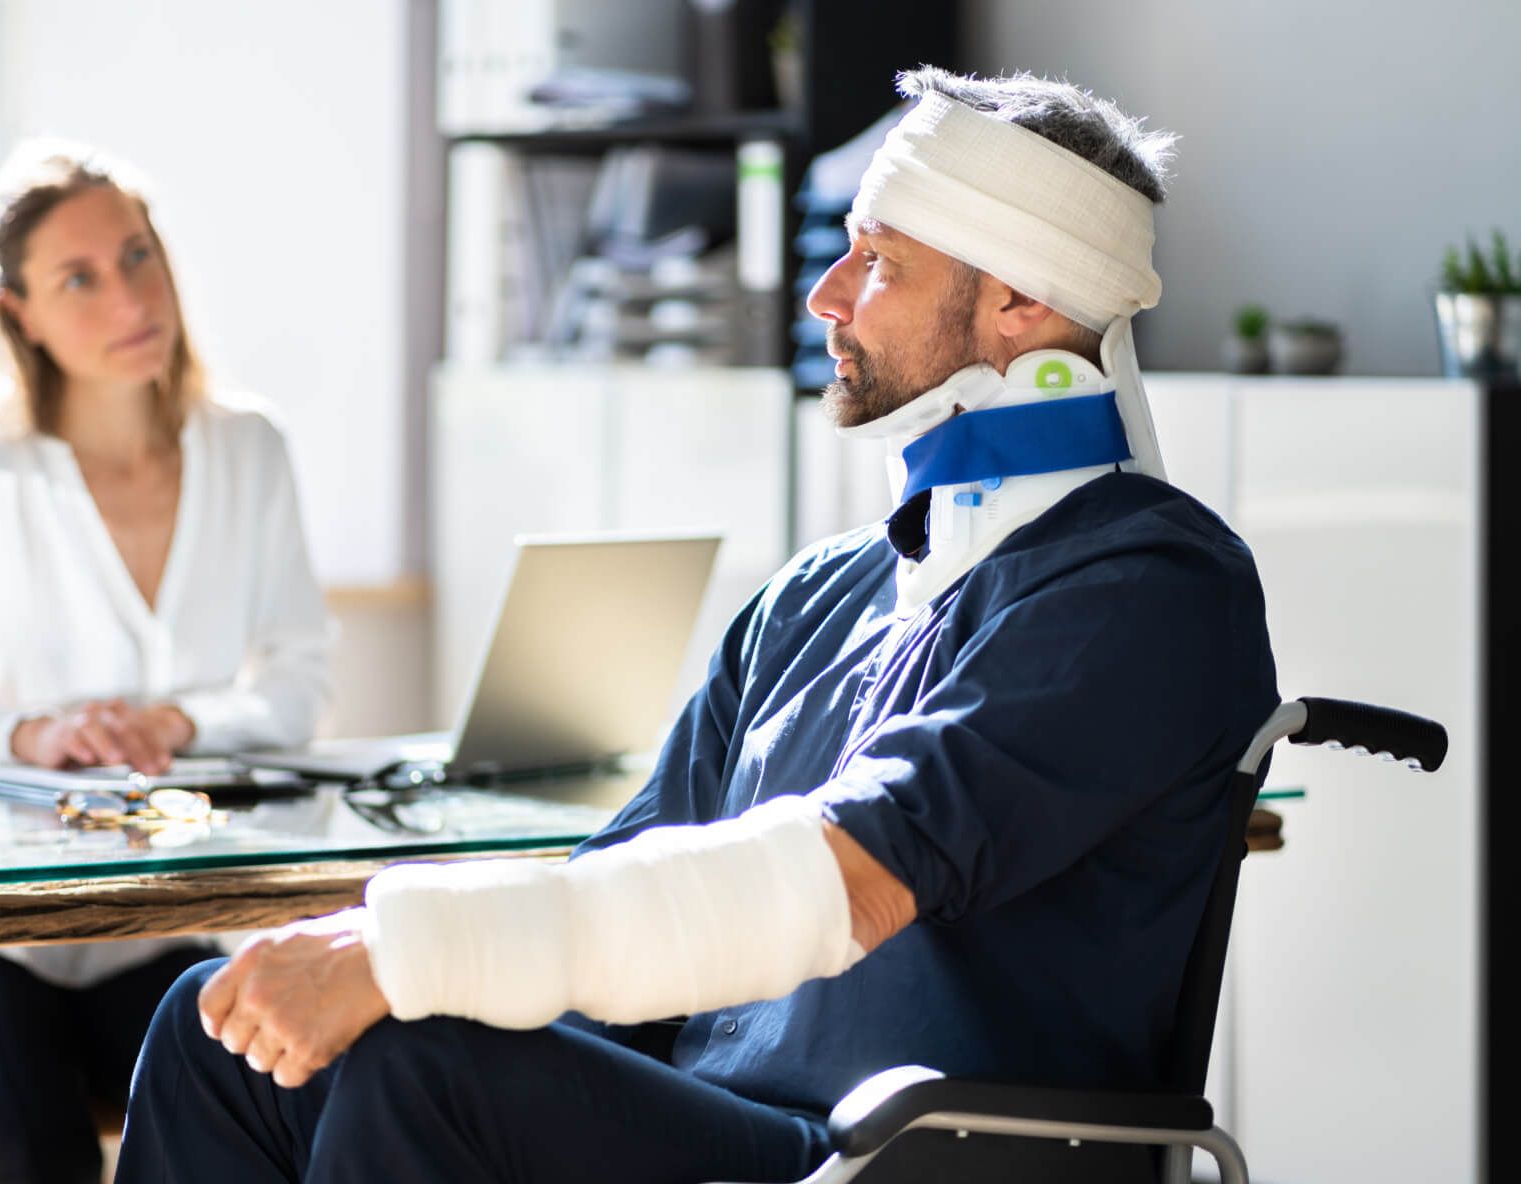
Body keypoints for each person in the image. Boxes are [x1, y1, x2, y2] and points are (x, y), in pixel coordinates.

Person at [116, 67, 1279, 1184]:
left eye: (877, 261)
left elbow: (853, 877)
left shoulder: (1149, 588)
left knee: (421, 1069)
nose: (824, 296)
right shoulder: (814, 596)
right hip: (714, 1121)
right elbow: (623, 884)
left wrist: (408, 951)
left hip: (910, 1148)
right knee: (219, 1032)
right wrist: (382, 972)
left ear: (1021, 300)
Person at [0, 140, 333, 1184]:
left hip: (166, 932)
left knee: (297, 1102)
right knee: (47, 1158)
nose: (128, 296)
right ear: (19, 313)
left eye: (136, 255)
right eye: (78, 277)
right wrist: (38, 733)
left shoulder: (249, 447)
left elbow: (300, 682)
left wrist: (179, 723)